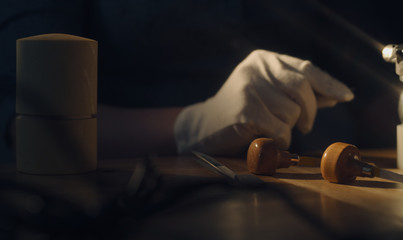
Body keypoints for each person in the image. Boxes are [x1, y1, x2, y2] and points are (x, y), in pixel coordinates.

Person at [1, 0, 362, 162]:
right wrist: (194, 124)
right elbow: (25, 120)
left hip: (318, 190)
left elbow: (373, 85)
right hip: (136, 202)